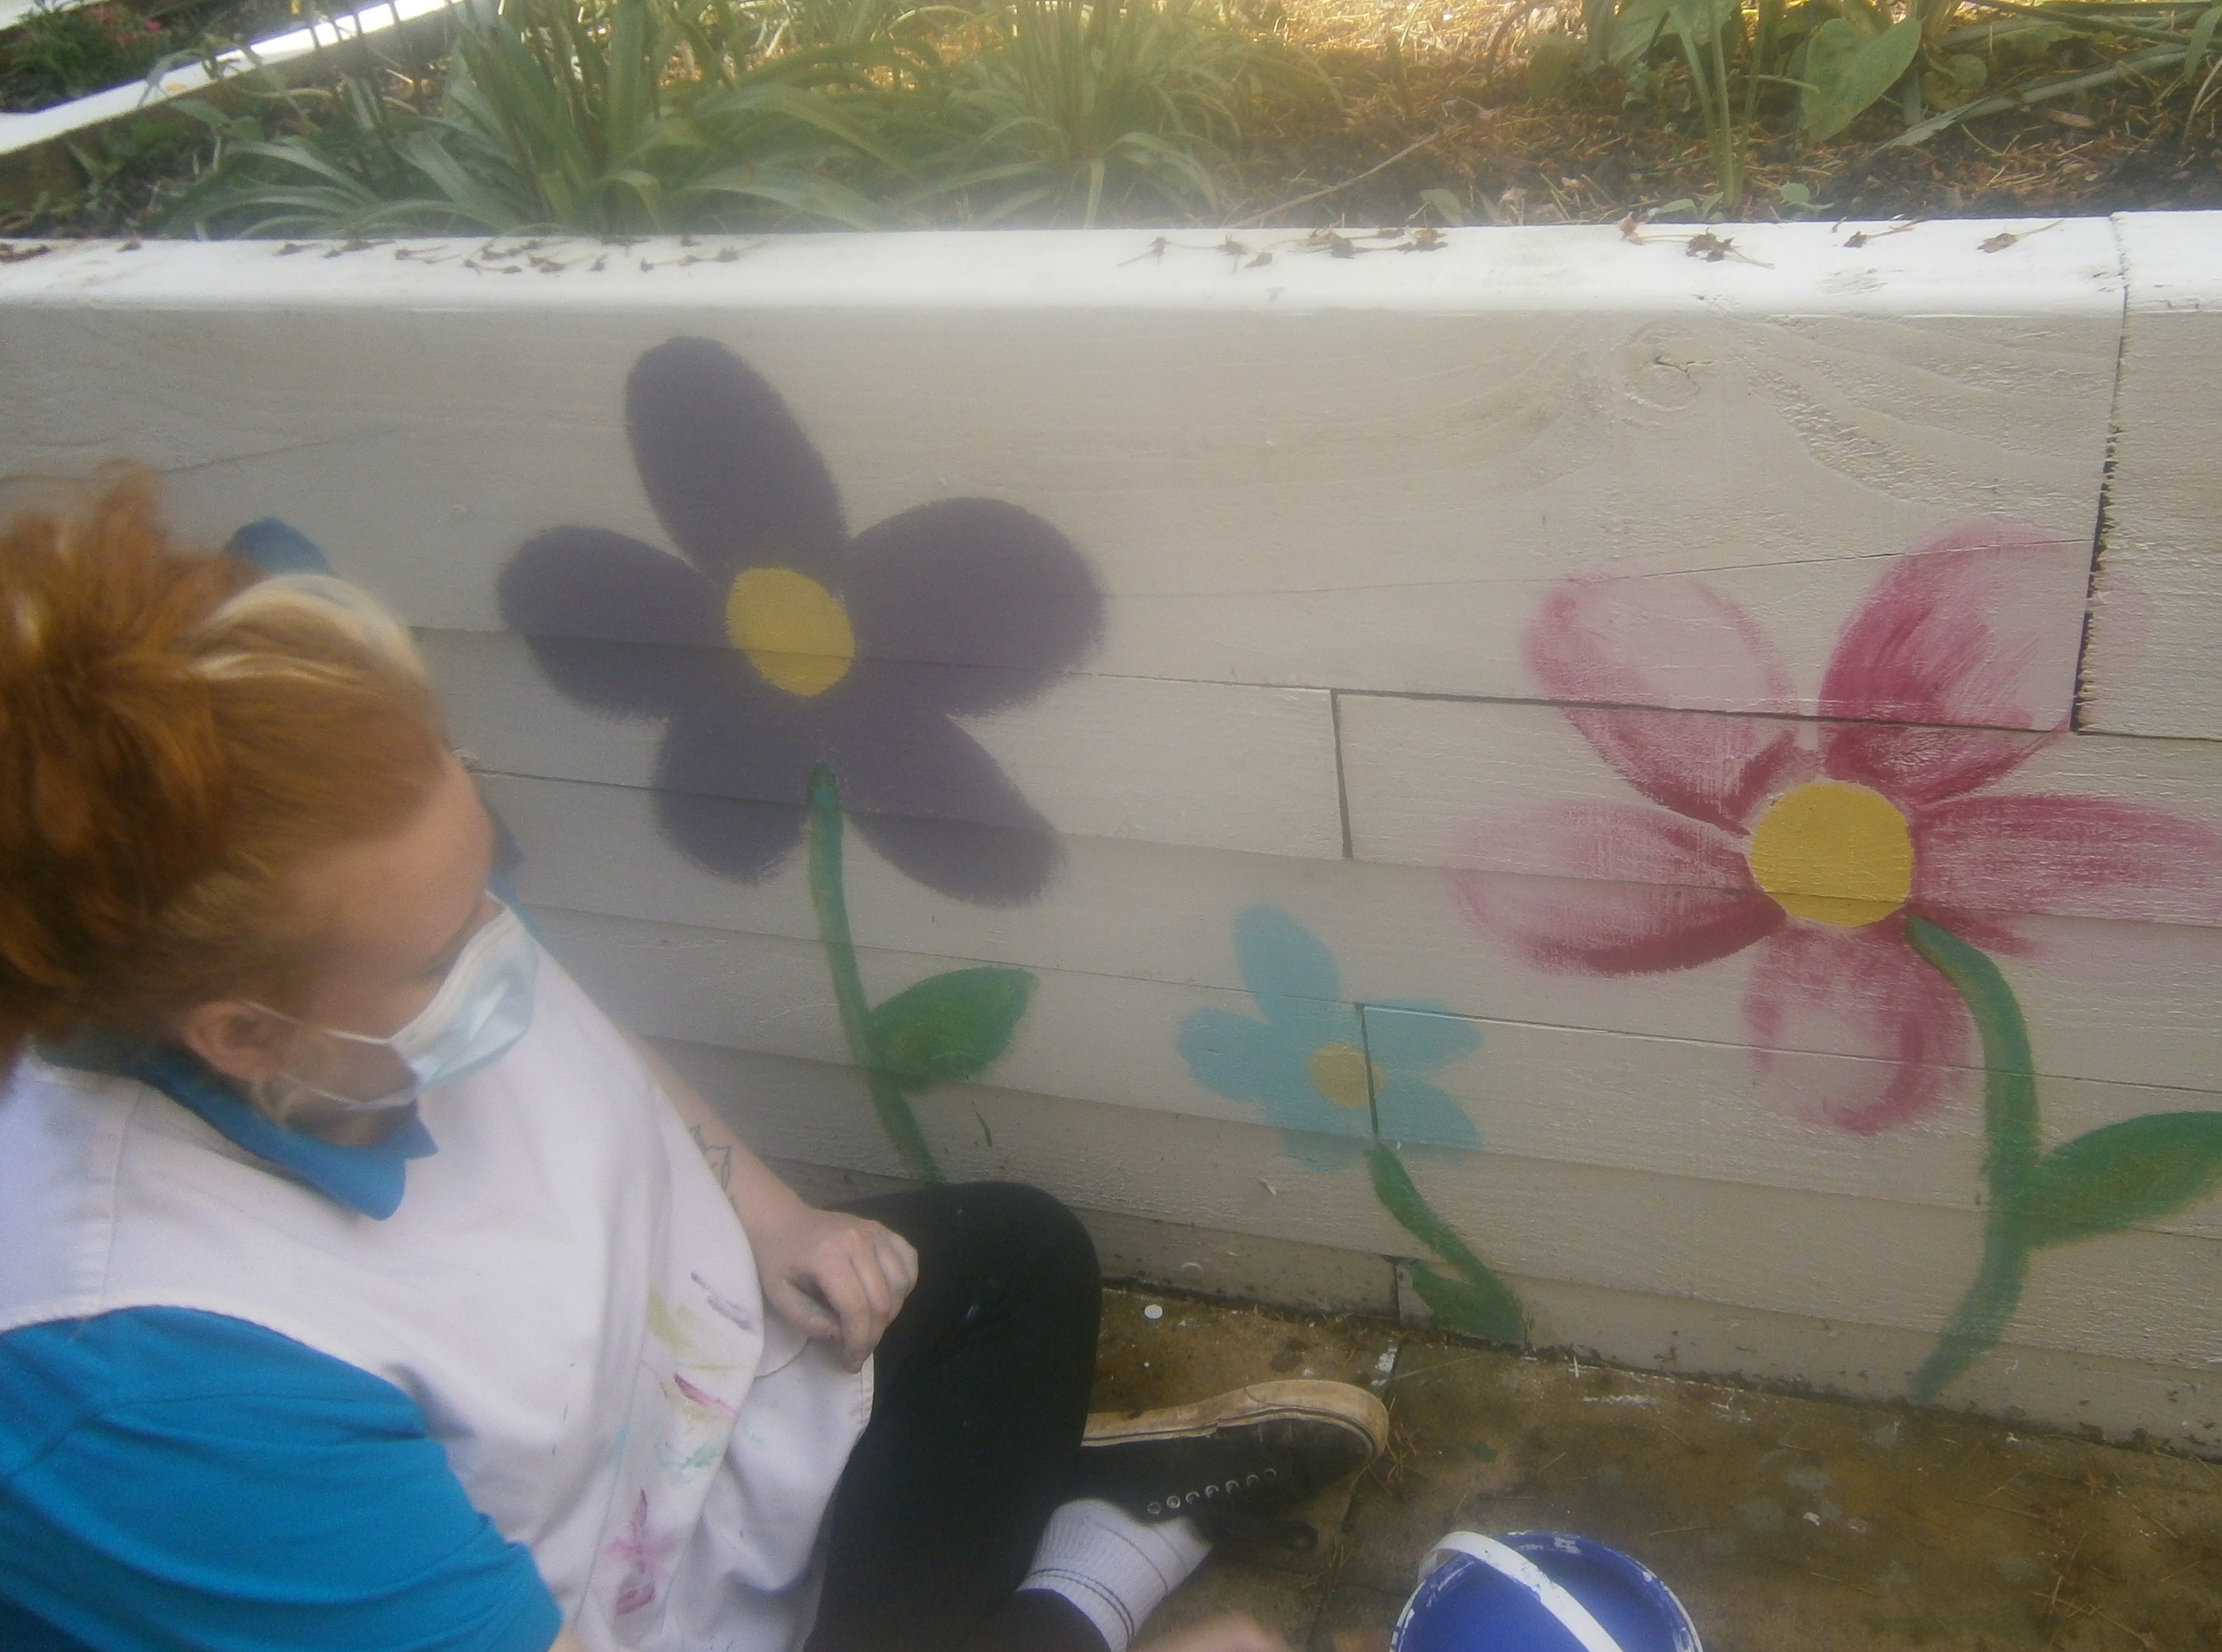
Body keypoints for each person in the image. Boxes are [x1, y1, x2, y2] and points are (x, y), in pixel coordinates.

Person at [0, 472, 1388, 1652]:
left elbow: (557, 1026)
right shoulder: (153, 1397)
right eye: (443, 951)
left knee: (1016, 1261)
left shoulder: (341, 912)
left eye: (488, 873)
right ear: (239, 1034)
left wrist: (766, 1207)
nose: (505, 946)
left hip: (665, 1436)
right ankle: (1081, 1590)